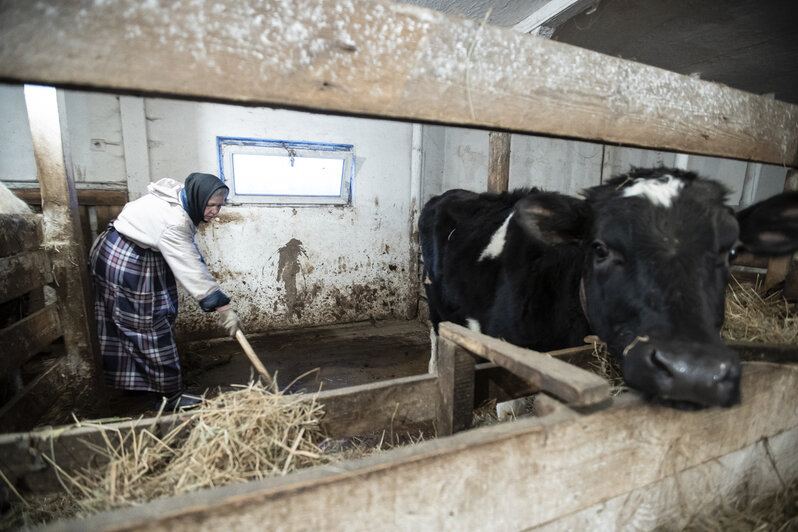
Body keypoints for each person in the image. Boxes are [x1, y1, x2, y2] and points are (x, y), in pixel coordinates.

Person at [90, 172, 241, 409]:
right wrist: (222, 306)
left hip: (125, 248)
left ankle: (137, 384)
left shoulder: (181, 196)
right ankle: (171, 395)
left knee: (139, 319)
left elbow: (188, 253)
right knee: (150, 323)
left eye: (219, 206)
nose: (215, 211)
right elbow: (190, 267)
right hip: (126, 260)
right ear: (199, 198)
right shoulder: (174, 222)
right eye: (211, 205)